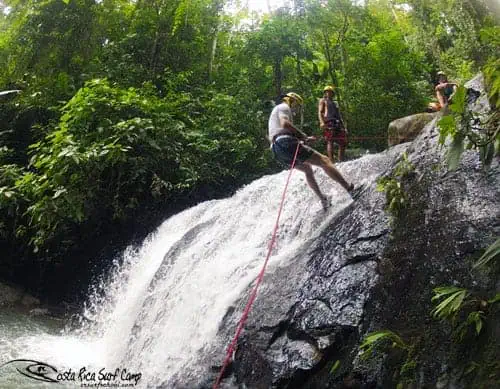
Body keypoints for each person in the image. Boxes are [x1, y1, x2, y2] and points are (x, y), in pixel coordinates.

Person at [268, 92, 355, 209]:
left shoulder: (275, 112)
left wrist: (303, 139)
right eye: (297, 106)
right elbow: (285, 124)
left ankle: (323, 199)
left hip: (277, 149)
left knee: (307, 169)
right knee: (325, 160)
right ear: (292, 101)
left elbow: (280, 132)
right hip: (285, 142)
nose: (297, 109)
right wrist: (303, 135)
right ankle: (349, 188)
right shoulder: (284, 107)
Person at [318, 85, 348, 162]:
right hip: (329, 122)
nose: (329, 93)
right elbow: (320, 112)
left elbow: (339, 115)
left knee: (343, 142)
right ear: (325, 93)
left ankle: (341, 160)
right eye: (328, 92)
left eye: (331, 92)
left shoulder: (335, 103)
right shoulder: (323, 100)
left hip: (337, 123)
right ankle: (332, 161)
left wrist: (344, 127)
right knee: (330, 140)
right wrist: (322, 122)